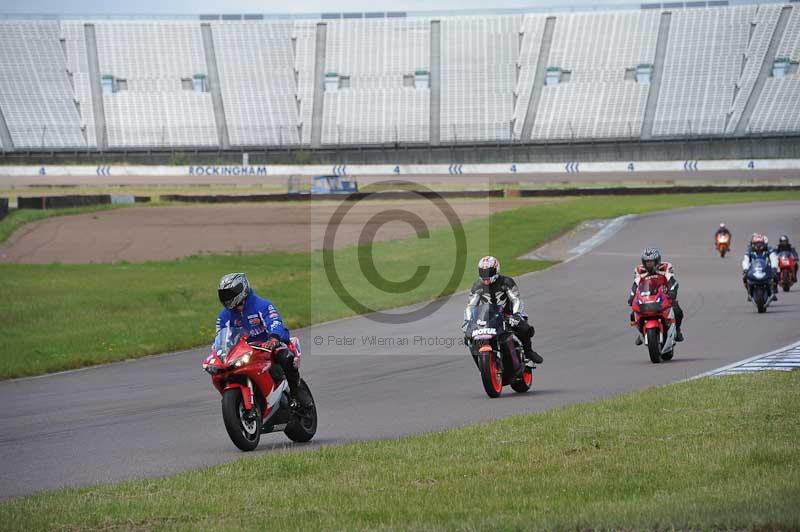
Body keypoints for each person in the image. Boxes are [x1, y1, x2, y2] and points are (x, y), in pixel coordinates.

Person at [216, 272, 311, 407]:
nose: (226, 298)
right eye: (223, 294)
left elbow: (275, 322)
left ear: (241, 289)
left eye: (230, 293)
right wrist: (219, 352)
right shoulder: (223, 317)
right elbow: (221, 338)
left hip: (270, 345)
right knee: (223, 371)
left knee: (285, 357)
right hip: (244, 352)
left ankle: (298, 394)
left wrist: (273, 339)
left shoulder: (262, 305)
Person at [463, 256, 543, 365]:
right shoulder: (477, 286)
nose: (486, 275)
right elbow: (471, 306)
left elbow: (516, 300)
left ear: (496, 270)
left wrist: (516, 314)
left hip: (508, 313)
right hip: (488, 316)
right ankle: (482, 363)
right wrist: (468, 321)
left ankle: (528, 352)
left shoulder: (506, 282)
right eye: (483, 271)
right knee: (468, 337)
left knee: (524, 327)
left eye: (489, 271)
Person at [628, 248, 684, 344]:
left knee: (677, 310)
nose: (649, 265)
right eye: (647, 262)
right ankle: (642, 333)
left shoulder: (666, 267)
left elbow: (672, 281)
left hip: (664, 295)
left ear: (657, 261)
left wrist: (672, 292)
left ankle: (677, 330)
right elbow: (635, 285)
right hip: (647, 296)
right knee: (633, 314)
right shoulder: (639, 270)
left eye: (651, 262)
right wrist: (631, 297)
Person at [741, 233, 779, 301]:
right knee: (744, 278)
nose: (758, 245)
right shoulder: (749, 251)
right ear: (752, 244)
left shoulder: (769, 249)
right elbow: (745, 260)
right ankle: (749, 293)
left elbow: (773, 258)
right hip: (753, 269)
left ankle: (773, 290)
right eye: (756, 243)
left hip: (766, 269)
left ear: (764, 243)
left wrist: (774, 268)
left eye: (760, 243)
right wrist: (745, 269)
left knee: (776, 276)